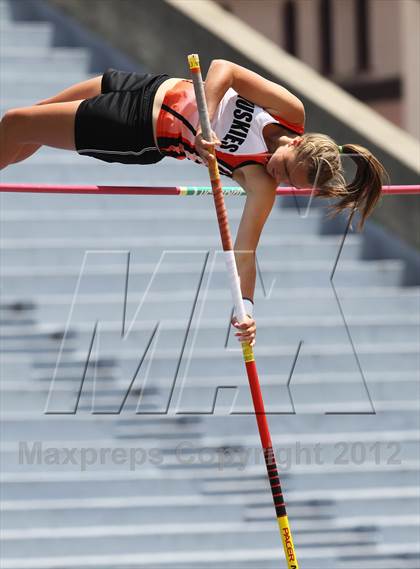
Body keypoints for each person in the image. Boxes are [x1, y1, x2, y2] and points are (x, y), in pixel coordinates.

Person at [0, 59, 387, 347]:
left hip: (135, 128)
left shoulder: (260, 183)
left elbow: (246, 250)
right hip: (149, 85)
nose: (278, 177)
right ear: (298, 143)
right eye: (286, 169)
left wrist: (247, 309)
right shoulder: (291, 112)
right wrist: (206, 122)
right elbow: (225, 69)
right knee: (29, 119)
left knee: (18, 122)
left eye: (289, 183)